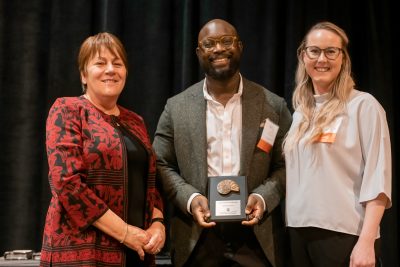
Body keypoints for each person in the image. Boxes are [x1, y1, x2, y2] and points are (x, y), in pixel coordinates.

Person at [153, 19, 292, 267]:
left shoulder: (273, 106)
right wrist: (190, 197)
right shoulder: (176, 108)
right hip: (197, 236)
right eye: (209, 44)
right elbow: (161, 163)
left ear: (240, 46)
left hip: (256, 236)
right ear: (198, 52)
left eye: (226, 41)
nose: (218, 49)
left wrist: (262, 198)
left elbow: (288, 164)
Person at [40, 32, 165, 267]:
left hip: (136, 253)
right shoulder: (67, 110)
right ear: (83, 75)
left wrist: (158, 224)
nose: (110, 70)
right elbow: (68, 185)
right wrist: (126, 233)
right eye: (100, 63)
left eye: (118, 64)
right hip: (82, 253)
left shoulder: (135, 121)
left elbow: (152, 182)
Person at [284, 21, 392, 267]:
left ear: (343, 58)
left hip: (345, 235)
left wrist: (366, 243)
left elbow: (378, 179)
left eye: (331, 51)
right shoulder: (301, 112)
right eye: (314, 50)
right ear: (303, 55)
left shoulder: (364, 106)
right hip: (298, 232)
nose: (322, 58)